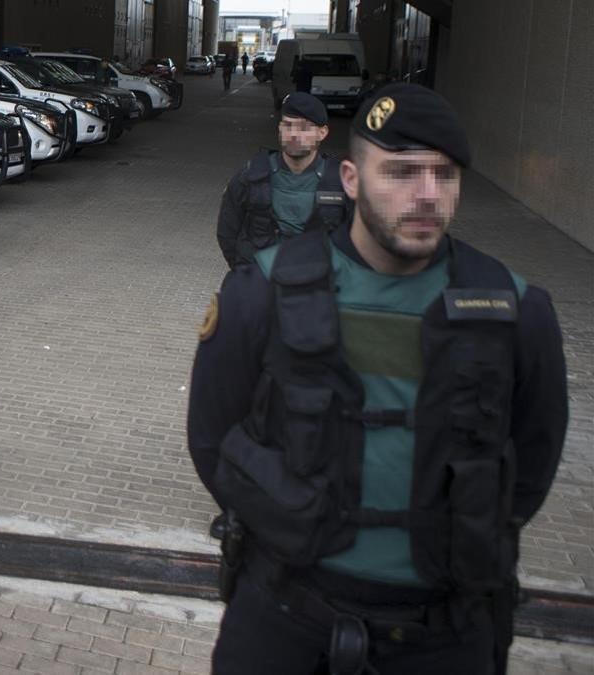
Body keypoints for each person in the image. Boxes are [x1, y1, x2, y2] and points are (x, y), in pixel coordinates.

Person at [187, 83, 568, 675]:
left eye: (444, 175)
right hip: (283, 615)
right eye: (401, 172)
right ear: (350, 179)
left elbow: (532, 463)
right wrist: (289, 516)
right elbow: (212, 437)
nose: (426, 195)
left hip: (447, 629)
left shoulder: (515, 312)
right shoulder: (259, 293)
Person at [216, 92, 350, 270]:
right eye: (288, 125)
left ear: (322, 132)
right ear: (280, 128)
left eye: (303, 128)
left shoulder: (340, 182)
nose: (293, 134)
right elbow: (227, 230)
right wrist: (245, 272)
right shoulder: (252, 175)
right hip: (261, 284)